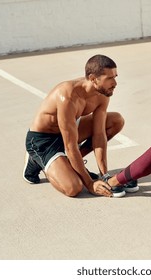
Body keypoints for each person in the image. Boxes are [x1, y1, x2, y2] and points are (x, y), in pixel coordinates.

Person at [23, 54, 138, 198]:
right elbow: (70, 146)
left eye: (115, 76)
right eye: (109, 78)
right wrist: (89, 183)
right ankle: (38, 160)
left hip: (68, 132)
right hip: (42, 141)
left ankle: (67, 163)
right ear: (92, 79)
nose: (115, 83)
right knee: (74, 187)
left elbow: (99, 134)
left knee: (116, 120)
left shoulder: (102, 92)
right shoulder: (67, 96)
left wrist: (105, 175)